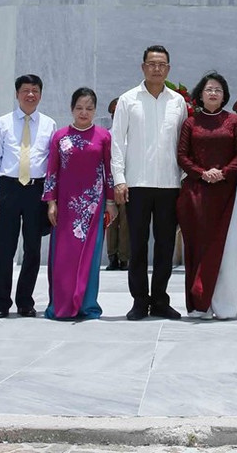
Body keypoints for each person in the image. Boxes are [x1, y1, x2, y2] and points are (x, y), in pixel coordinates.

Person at [110, 44, 188, 320]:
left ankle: (161, 300)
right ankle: (140, 301)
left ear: (168, 68)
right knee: (138, 245)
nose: (157, 68)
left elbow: (183, 143)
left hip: (169, 184)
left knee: (165, 246)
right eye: (152, 64)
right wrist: (119, 180)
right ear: (143, 67)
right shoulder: (128, 100)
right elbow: (117, 142)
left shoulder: (178, 102)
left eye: (162, 64)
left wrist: (185, 179)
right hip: (137, 184)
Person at [0, 74, 56, 317]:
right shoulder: (3, 123)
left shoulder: (49, 124)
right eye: (25, 90)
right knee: (4, 248)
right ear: (17, 94)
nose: (30, 95)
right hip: (8, 189)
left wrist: (50, 199)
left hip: (36, 190)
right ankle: (0, 303)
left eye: (35, 90)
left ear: (40, 94)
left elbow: (52, 163)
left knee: (33, 249)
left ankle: (25, 301)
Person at [176, 72, 237, 318]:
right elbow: (182, 156)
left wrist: (223, 173)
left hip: (227, 194)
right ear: (200, 94)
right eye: (208, 89)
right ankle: (199, 304)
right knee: (198, 248)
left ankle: (225, 306)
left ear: (224, 94)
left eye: (218, 89)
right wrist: (202, 173)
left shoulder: (234, 120)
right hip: (196, 194)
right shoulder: (191, 123)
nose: (213, 93)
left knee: (226, 250)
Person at [43, 87, 116, 319]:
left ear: (95, 110)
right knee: (64, 257)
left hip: (93, 206)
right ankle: (62, 305)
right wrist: (51, 202)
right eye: (79, 108)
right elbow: (51, 171)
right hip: (65, 206)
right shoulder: (60, 136)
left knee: (89, 257)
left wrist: (111, 202)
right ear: (71, 109)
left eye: (89, 108)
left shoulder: (104, 136)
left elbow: (109, 171)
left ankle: (87, 305)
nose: (84, 113)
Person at [105, 97, 131, 270]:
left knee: (126, 222)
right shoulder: (107, 134)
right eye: (113, 113)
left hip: (128, 182)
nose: (116, 115)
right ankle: (112, 257)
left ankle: (124, 257)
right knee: (111, 222)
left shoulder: (131, 133)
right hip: (110, 182)